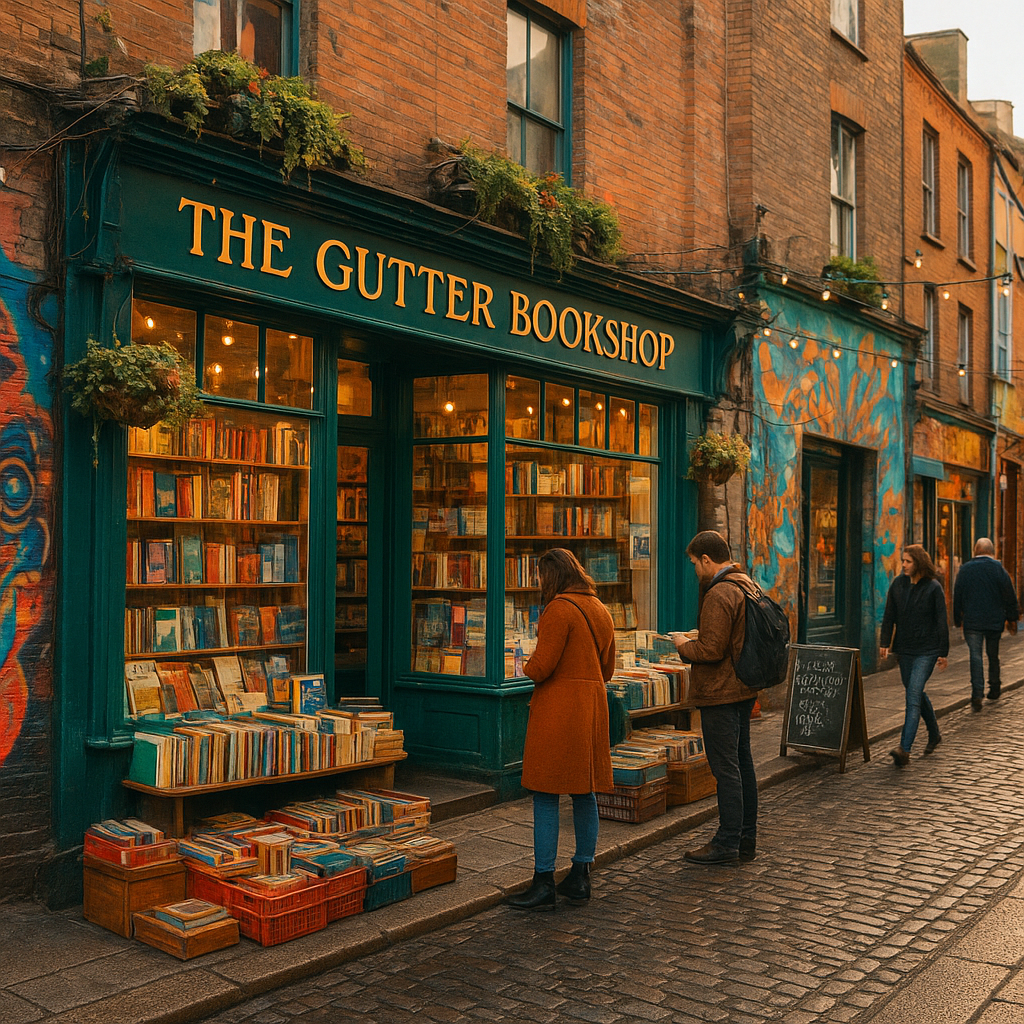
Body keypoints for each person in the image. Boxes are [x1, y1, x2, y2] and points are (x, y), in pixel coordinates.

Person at [506, 548, 616, 910]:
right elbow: (608, 670)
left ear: (550, 576)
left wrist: (523, 662)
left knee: (545, 793)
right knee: (585, 791)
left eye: (539, 575)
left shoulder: (558, 609)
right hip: (591, 708)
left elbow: (541, 666)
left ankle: (543, 882)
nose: (537, 582)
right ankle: (581, 876)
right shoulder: (600, 609)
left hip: (559, 711)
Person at [669, 531, 759, 866]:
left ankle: (726, 842)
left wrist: (681, 645)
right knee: (742, 763)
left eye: (694, 562)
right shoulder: (745, 582)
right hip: (743, 688)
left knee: (726, 768)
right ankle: (746, 837)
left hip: (721, 692)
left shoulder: (720, 592)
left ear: (707, 559)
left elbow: (711, 650)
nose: (694, 569)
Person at [879, 545, 948, 766]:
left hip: (927, 650)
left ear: (918, 562)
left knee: (913, 695)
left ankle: (904, 749)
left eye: (908, 561)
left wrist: (943, 652)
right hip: (905, 649)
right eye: (902, 561)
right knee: (914, 691)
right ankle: (935, 734)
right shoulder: (898, 584)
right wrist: (884, 642)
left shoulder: (933, 588)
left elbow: (941, 622)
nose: (904, 565)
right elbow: (889, 615)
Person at [952, 538, 1020, 710]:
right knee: (992, 654)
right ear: (992, 551)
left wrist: (957, 618)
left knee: (975, 657)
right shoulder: (998, 569)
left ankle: (977, 693)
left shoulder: (965, 570)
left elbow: (957, 595)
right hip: (994, 621)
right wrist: (1012, 618)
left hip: (972, 621)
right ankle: (995, 687)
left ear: (976, 550)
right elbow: (1009, 595)